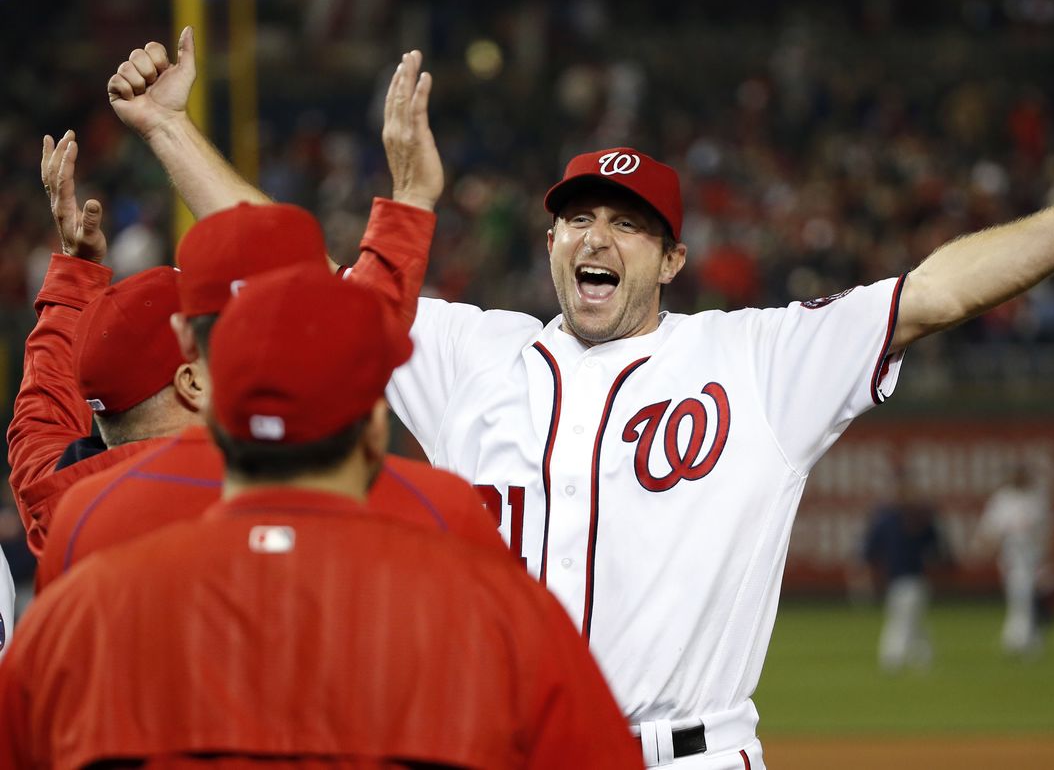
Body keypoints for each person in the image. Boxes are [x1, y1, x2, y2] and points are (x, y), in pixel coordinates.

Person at [113, 27, 1054, 768]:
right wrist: (170, 129)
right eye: (579, 217)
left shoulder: (759, 362)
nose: (598, 236)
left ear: (671, 260)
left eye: (629, 223)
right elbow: (281, 272)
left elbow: (933, 291)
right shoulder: (471, 357)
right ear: (548, 239)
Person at [0, 266, 642, 768]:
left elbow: (37, 427)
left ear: (221, 424)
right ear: (371, 430)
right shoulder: (489, 601)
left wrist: (69, 280)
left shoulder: (73, 606)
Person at [38, 199, 505, 589]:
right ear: (192, 379)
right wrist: (409, 203)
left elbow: (40, 423)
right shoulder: (423, 511)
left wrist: (72, 281)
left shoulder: (70, 513)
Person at [6, 132, 203, 556]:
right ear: (192, 382)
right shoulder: (241, 508)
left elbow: (42, 419)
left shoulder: (56, 503)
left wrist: (76, 272)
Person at [862, 485, 947, 672]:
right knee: (911, 621)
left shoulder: (918, 519)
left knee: (902, 621)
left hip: (914, 579)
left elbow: (938, 550)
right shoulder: (890, 521)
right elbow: (871, 552)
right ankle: (923, 657)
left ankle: (893, 660)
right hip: (898, 580)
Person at [973, 465, 1054, 657]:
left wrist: (1050, 555)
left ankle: (1025, 639)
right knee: (1020, 597)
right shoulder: (1002, 499)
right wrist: (984, 546)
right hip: (1013, 558)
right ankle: (1020, 640)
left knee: (1029, 599)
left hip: (1036, 557)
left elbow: (1049, 529)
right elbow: (990, 529)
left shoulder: (1037, 498)